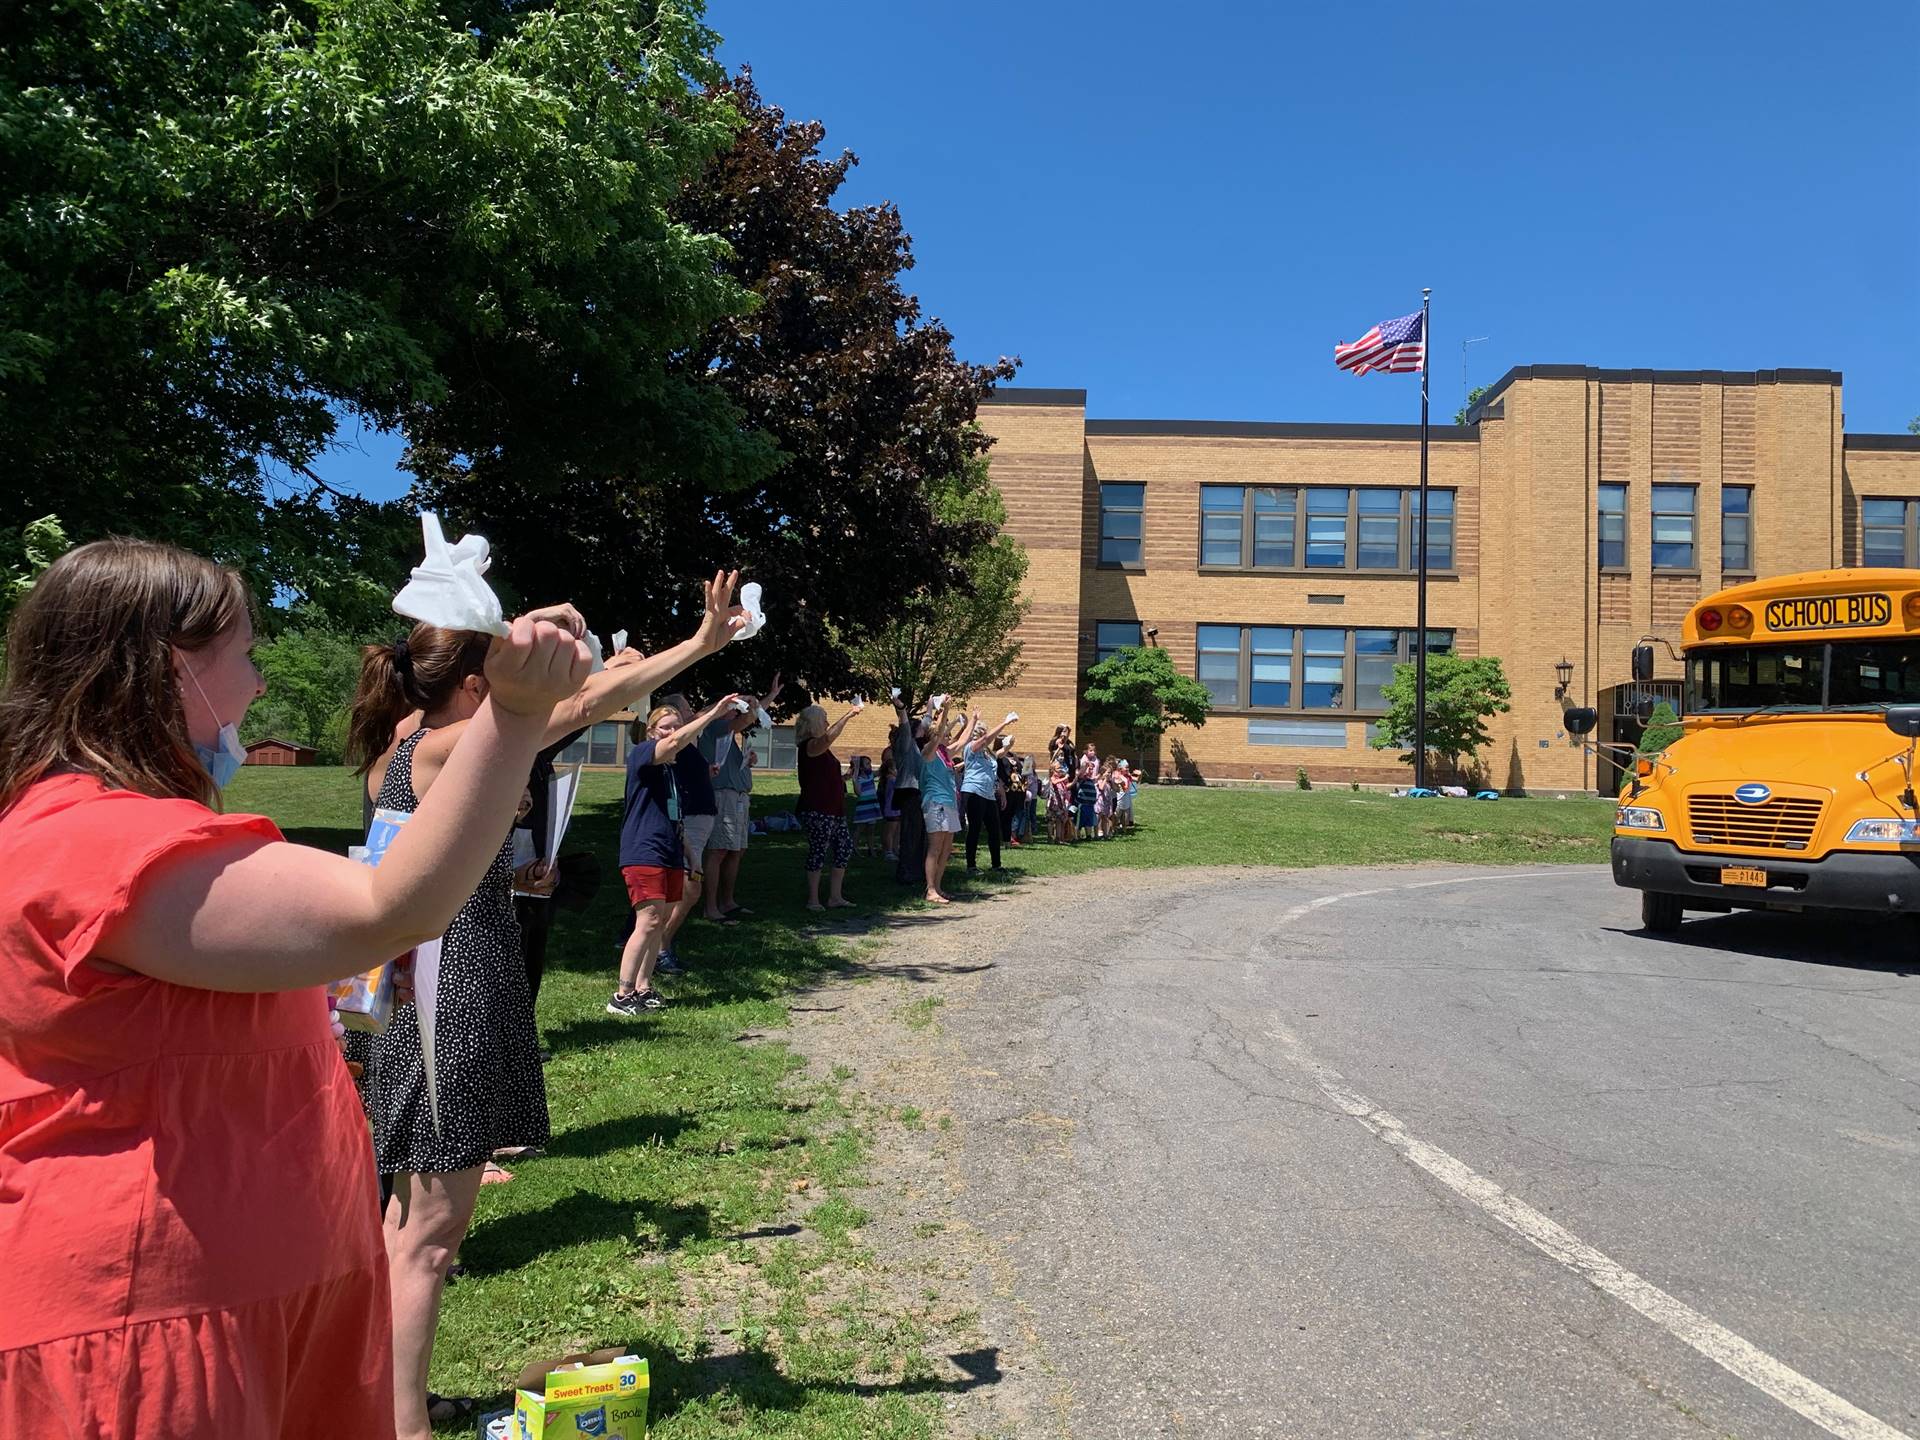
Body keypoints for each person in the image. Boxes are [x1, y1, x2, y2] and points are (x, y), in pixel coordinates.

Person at [0, 539, 592, 1440]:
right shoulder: (104, 844)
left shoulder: (103, 828)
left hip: (240, 1303)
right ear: (169, 669)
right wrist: (513, 715)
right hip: (152, 1331)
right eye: (244, 654)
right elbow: (388, 910)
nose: (261, 686)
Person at [345, 572, 744, 1438]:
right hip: (451, 990)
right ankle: (399, 1425)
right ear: (479, 688)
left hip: (436, 982)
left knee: (406, 1224)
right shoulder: (446, 743)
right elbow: (585, 702)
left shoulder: (407, 739)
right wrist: (701, 648)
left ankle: (390, 1401)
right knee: (430, 1237)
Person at [610, 693, 742, 1016]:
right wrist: (711, 715)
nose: (672, 733)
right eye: (665, 728)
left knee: (659, 923)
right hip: (644, 850)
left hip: (670, 851)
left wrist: (691, 857)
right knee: (649, 919)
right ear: (651, 732)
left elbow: (676, 817)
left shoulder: (673, 773)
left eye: (676, 727)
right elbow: (674, 744)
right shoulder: (643, 754)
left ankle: (643, 986)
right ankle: (622, 995)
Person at [702, 674, 781, 922]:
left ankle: (728, 902)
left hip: (738, 797)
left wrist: (769, 698)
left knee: (737, 850)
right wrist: (751, 703)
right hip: (722, 796)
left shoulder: (728, 736)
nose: (736, 713)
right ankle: (711, 907)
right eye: (732, 709)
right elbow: (747, 719)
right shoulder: (714, 727)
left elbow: (750, 717)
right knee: (718, 850)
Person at [795, 701, 862, 909]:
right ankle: (813, 900)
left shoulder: (822, 749)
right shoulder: (810, 745)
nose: (826, 722)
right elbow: (829, 737)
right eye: (824, 719)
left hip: (835, 809)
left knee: (844, 848)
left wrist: (845, 777)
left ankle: (835, 897)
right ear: (814, 723)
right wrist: (848, 715)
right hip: (817, 809)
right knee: (819, 850)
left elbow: (824, 775)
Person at [918, 700, 968, 902]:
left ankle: (938, 887)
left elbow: (963, 741)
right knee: (935, 848)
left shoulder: (945, 755)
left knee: (946, 850)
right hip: (935, 803)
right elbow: (939, 733)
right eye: (944, 735)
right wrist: (946, 710)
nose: (948, 737)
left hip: (949, 804)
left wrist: (971, 721)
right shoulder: (928, 752)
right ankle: (930, 890)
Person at [890, 698, 928, 887]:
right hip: (908, 791)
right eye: (920, 726)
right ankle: (906, 873)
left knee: (919, 833)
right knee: (910, 834)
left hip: (916, 792)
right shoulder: (906, 742)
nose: (925, 728)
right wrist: (902, 709)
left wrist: (931, 707)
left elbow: (926, 724)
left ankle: (917, 871)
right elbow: (904, 726)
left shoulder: (916, 744)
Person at [850, 753, 882, 856]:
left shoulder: (870, 775)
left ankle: (871, 849)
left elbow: (880, 772)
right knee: (860, 828)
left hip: (872, 806)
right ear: (861, 767)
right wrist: (854, 778)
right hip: (864, 807)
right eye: (868, 764)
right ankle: (854, 847)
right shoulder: (858, 779)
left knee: (871, 830)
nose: (870, 766)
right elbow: (858, 792)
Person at [878, 746, 901, 860]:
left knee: (897, 830)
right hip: (892, 808)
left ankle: (895, 848)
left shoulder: (893, 779)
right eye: (895, 768)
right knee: (891, 831)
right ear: (891, 770)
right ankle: (889, 850)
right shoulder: (891, 779)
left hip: (897, 808)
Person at [1049, 760, 1075, 844]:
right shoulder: (1053, 778)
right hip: (1053, 804)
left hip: (1060, 804)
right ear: (1053, 770)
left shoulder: (1061, 781)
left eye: (1060, 768)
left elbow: (1065, 789)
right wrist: (1064, 778)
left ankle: (1059, 838)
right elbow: (1054, 782)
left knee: (1060, 821)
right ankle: (1050, 837)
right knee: (1052, 820)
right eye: (1058, 768)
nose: (1060, 770)